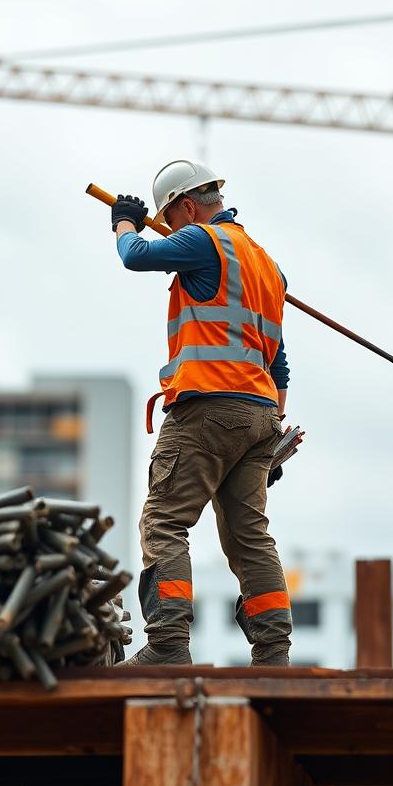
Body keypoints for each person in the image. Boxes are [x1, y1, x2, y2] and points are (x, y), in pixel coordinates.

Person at [111, 160, 293, 667]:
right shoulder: (268, 266)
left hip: (208, 408)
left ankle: (168, 646)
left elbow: (136, 256)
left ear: (187, 207)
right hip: (258, 415)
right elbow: (278, 363)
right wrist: (273, 433)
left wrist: (124, 221)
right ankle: (273, 654)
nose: (170, 231)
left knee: (164, 521)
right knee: (248, 534)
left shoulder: (205, 241)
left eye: (169, 219)